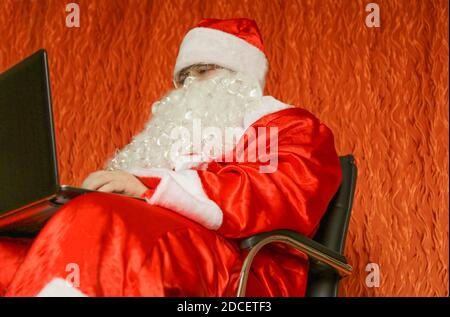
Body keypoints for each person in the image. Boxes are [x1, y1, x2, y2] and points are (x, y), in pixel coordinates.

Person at [0, 18, 342, 297]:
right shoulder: (176, 137)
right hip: (167, 244)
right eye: (183, 77)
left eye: (204, 71)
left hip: (243, 267)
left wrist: (148, 187)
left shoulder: (284, 124)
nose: (191, 84)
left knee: (97, 218)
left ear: (240, 78)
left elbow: (270, 195)